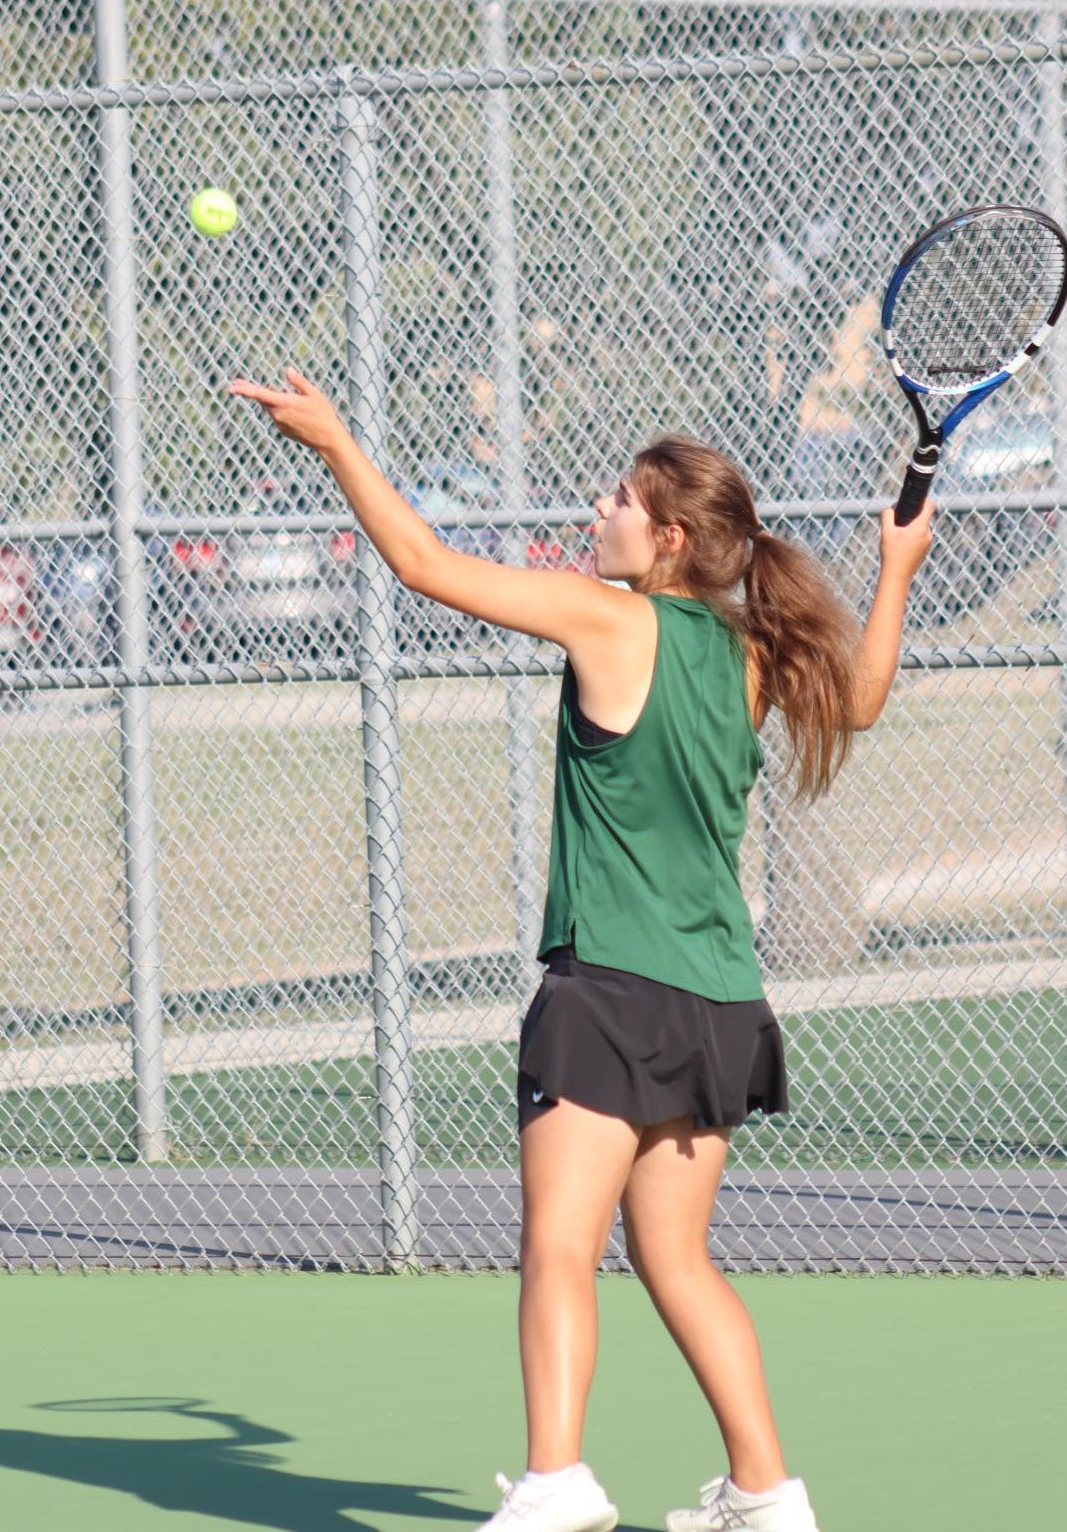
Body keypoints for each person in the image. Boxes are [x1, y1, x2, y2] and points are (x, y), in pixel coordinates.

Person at [228, 366, 935, 1532]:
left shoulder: (612, 616)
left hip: (606, 990)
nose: (593, 510)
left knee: (558, 1244)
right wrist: (897, 572)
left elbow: (424, 567)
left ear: (664, 541)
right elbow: (858, 701)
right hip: (717, 1003)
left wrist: (335, 441)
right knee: (677, 1262)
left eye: (616, 498)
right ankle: (766, 1495)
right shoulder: (750, 652)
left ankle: (556, 1482)